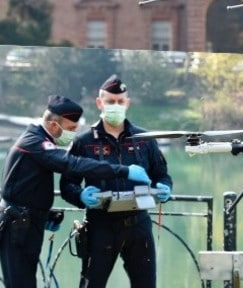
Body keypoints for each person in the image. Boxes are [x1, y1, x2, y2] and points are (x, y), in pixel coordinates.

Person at [0, 95, 151, 288]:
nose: (72, 134)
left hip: (27, 222)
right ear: (54, 125)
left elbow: (26, 186)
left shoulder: (38, 140)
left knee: (26, 280)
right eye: (71, 129)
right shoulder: (35, 143)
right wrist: (124, 170)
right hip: (17, 226)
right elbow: (72, 164)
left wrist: (43, 213)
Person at [59, 75, 172, 288]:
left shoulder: (145, 139)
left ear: (128, 103)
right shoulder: (83, 143)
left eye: (120, 102)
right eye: (111, 101)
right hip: (100, 226)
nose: (116, 106)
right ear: (99, 103)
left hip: (139, 224)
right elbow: (67, 185)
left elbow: (161, 175)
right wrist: (80, 196)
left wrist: (165, 188)